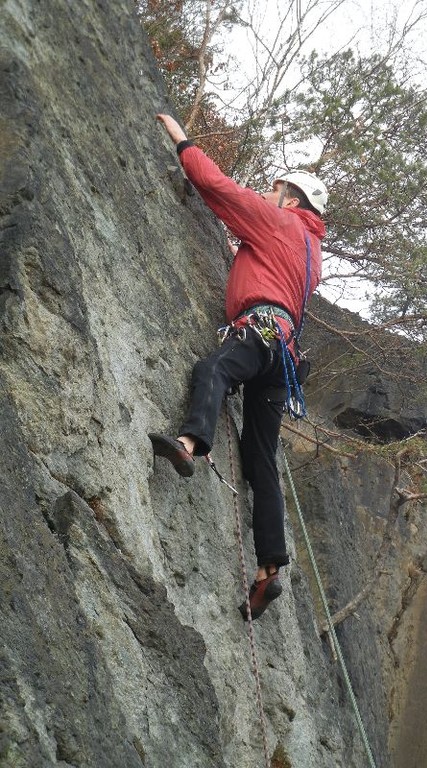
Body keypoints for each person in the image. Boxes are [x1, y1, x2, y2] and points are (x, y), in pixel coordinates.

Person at [149, 113, 327, 620]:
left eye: (275, 191)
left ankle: (188, 446)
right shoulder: (311, 250)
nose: (267, 196)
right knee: (261, 460)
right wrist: (241, 252)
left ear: (292, 200)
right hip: (284, 356)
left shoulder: (279, 221)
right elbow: (269, 265)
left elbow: (217, 187)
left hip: (259, 332)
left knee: (214, 371)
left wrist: (182, 140)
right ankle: (268, 569)